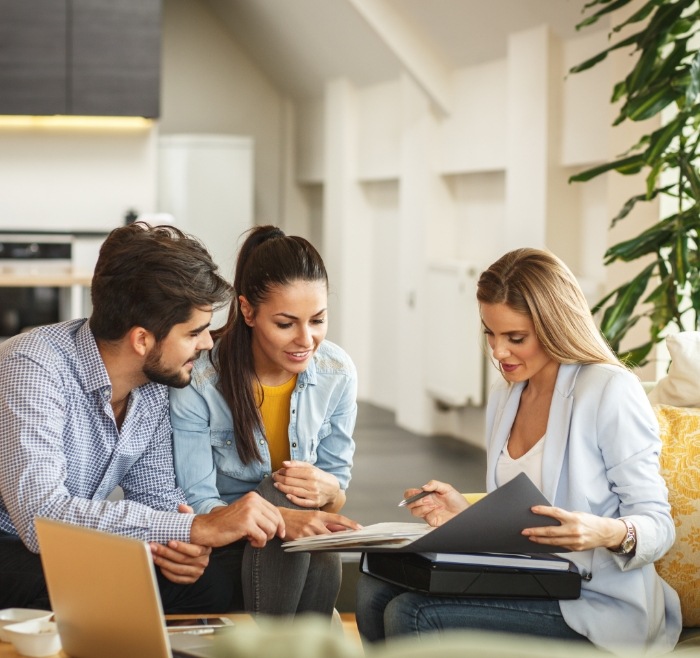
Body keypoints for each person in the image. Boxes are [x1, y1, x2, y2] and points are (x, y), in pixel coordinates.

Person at [356, 248, 682, 654]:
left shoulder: (609, 391)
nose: (497, 352)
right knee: (373, 589)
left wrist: (605, 531)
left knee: (413, 613)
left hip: (596, 602)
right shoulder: (507, 395)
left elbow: (658, 525)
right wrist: (465, 512)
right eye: (489, 333)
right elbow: (525, 513)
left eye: (515, 338)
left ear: (555, 326)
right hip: (530, 581)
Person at [0, 222, 286, 613]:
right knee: (78, 582)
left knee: (213, 579)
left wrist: (183, 546)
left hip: (74, 547)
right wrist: (194, 527)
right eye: (194, 333)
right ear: (142, 340)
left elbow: (157, 496)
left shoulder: (152, 385)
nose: (206, 343)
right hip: (14, 545)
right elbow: (41, 517)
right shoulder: (34, 365)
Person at [169, 225, 360, 617]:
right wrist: (280, 517)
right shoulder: (201, 381)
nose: (306, 339)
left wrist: (328, 491)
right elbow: (198, 502)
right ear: (248, 311)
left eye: (318, 320)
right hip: (227, 543)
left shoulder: (337, 372)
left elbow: (335, 495)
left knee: (311, 531)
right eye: (286, 324)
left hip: (298, 546)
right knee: (278, 492)